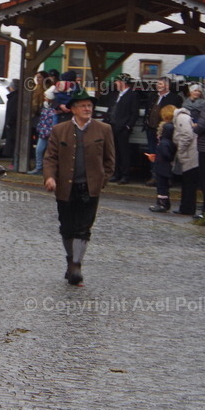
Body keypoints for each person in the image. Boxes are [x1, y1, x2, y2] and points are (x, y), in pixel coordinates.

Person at [43, 89, 116, 286]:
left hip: (90, 188)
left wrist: (102, 180)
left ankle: (76, 264)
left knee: (83, 228)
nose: (87, 109)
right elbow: (50, 157)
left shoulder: (104, 129)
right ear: (73, 109)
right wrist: (50, 177)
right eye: (83, 106)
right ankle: (70, 261)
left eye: (90, 106)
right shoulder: (60, 130)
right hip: (65, 188)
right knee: (67, 227)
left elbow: (110, 160)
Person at [145, 76, 183, 183]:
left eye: (160, 84)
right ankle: (154, 175)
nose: (158, 86)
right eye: (158, 84)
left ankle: (167, 177)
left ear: (167, 85)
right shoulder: (153, 96)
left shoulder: (175, 98)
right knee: (152, 153)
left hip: (165, 131)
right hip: (151, 129)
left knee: (166, 154)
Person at [104, 73, 138, 184]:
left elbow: (134, 113)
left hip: (123, 128)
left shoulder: (132, 95)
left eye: (118, 81)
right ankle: (116, 173)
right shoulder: (116, 94)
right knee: (114, 152)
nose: (116, 83)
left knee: (124, 152)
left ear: (123, 83)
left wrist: (128, 126)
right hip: (112, 126)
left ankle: (125, 175)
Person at [146, 106, 177, 212]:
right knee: (163, 186)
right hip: (164, 167)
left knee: (162, 187)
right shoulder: (169, 142)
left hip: (162, 167)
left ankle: (162, 204)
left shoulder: (164, 143)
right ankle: (164, 203)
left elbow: (166, 154)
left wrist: (157, 158)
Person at [172, 104, 200, 216]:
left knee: (189, 183)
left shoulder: (181, 118)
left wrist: (181, 151)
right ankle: (186, 207)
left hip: (190, 154)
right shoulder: (184, 117)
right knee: (188, 182)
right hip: (191, 153)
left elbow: (187, 135)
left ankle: (187, 208)